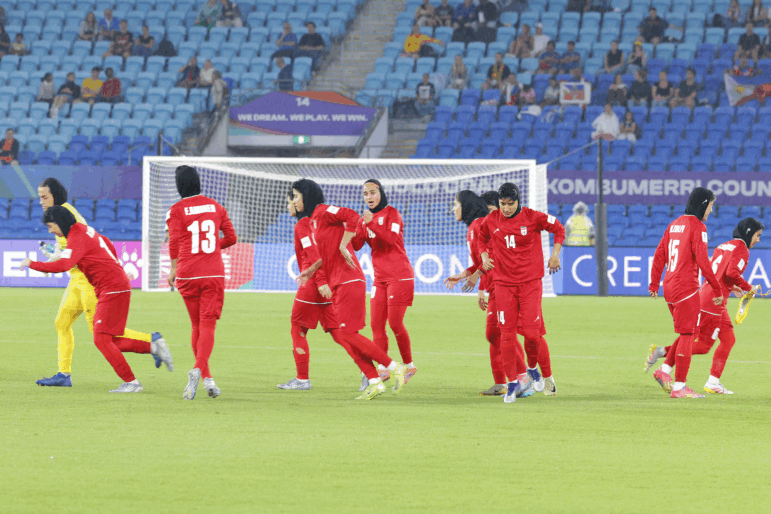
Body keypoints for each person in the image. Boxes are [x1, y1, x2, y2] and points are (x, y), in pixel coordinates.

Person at [30, 178, 170, 388]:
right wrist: (56, 255)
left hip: (88, 283)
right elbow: (81, 246)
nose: (41, 201)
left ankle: (151, 341)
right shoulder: (57, 216)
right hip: (76, 281)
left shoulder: (70, 217)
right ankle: (64, 373)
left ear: (55, 196)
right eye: (39, 197)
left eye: (44, 197)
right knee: (62, 323)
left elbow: (87, 245)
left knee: (104, 336)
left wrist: (48, 262)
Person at [293, 179, 409, 400]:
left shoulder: (324, 210)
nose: (295, 200)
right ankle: (374, 381)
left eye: (297, 195)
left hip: (349, 279)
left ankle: (395, 367)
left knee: (347, 334)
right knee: (346, 336)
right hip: (338, 282)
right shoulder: (314, 222)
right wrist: (312, 270)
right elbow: (327, 253)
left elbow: (352, 216)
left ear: (307, 196)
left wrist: (343, 243)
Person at [647, 218, 763, 395]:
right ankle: (665, 368)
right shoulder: (742, 250)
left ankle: (712, 382)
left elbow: (719, 273)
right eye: (757, 235)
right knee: (697, 341)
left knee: (727, 339)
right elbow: (731, 272)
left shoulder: (724, 246)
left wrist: (732, 286)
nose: (758, 240)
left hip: (708, 297)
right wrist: (749, 288)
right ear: (748, 233)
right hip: (713, 303)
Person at [477, 182, 565, 403]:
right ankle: (513, 384)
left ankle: (535, 369)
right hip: (503, 285)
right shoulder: (492, 219)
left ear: (518, 201)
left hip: (530, 284)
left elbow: (559, 229)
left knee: (532, 335)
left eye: (510, 203)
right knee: (506, 335)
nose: (506, 208)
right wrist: (485, 257)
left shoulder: (532, 217)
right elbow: (481, 238)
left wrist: (555, 255)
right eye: (503, 203)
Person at [166, 166, 237, 400]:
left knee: (195, 325)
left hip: (187, 274)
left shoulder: (175, 210)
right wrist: (213, 248)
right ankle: (198, 371)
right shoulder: (216, 206)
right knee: (207, 326)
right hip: (212, 274)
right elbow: (232, 237)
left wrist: (174, 268)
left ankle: (207, 379)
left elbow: (174, 241)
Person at [648, 187, 722, 399]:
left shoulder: (675, 224)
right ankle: (680, 387)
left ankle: (665, 371)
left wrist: (654, 283)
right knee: (689, 334)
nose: (711, 210)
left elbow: (660, 253)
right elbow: (703, 260)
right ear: (702, 204)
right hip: (686, 288)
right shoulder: (698, 227)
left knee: (686, 332)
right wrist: (716, 287)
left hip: (669, 287)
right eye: (710, 205)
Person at [278, 191, 354, 390]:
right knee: (338, 332)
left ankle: (302, 379)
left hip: (313, 285)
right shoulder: (319, 223)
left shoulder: (303, 225)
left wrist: (319, 281)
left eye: (291, 201)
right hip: (327, 282)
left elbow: (314, 255)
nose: (289, 206)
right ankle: (368, 371)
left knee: (297, 327)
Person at [351, 180, 417, 390]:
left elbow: (390, 239)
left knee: (395, 323)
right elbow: (357, 245)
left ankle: (409, 365)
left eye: (372, 193)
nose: (369, 197)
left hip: (400, 276)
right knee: (376, 325)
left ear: (380, 194)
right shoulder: (366, 219)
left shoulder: (392, 214)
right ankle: (383, 367)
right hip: (379, 279)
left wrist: (369, 223)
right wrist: (352, 228)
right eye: (365, 194)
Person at [444, 191, 509, 396]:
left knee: (497, 334)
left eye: (456, 204)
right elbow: (482, 261)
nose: (453, 209)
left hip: (502, 285)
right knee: (497, 335)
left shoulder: (479, 226)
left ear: (467, 205)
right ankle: (504, 382)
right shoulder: (475, 226)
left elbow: (492, 258)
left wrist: (477, 281)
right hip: (494, 285)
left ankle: (523, 377)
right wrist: (464, 274)